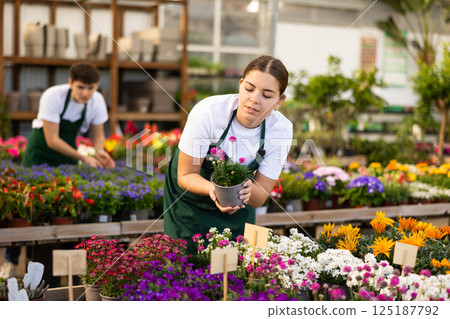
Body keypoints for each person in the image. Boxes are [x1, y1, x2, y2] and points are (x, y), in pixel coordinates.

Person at [164, 55, 293, 253]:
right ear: (240, 84)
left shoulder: (281, 130)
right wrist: (215, 190)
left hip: (238, 207)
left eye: (267, 95)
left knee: (231, 267)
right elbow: (186, 175)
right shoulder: (209, 112)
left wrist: (247, 192)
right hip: (189, 202)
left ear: (279, 101)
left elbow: (260, 197)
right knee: (185, 261)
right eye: (249, 89)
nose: (254, 100)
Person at [0, 62, 115, 279]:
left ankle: (55, 265)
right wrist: (83, 157)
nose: (86, 93)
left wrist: (99, 150)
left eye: (91, 88)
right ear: (70, 82)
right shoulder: (53, 96)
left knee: (62, 202)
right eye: (81, 87)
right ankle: (11, 261)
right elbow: (52, 139)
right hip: (41, 152)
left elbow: (98, 133)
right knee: (24, 205)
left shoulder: (96, 101)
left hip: (67, 156)